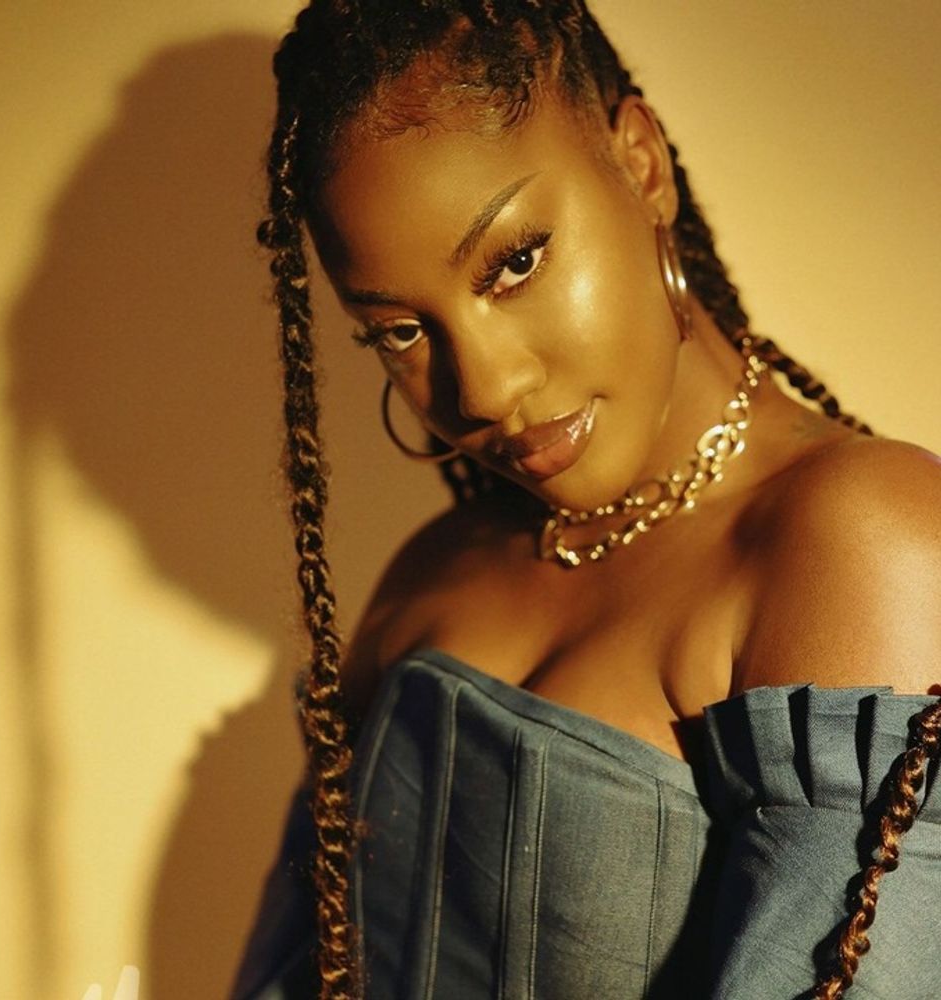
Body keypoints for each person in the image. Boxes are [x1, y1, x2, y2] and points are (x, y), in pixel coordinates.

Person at [232, 3, 941, 998]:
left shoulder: (862, 536)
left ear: (640, 163)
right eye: (399, 330)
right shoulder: (432, 572)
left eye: (515, 262)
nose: (484, 390)